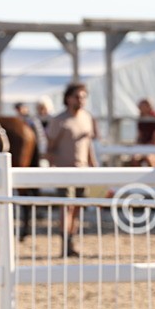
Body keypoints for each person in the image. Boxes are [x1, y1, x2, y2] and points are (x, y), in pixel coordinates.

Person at [46, 83, 98, 258]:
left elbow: (88, 145)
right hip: (64, 170)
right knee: (66, 207)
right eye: (77, 97)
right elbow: (50, 146)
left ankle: (71, 242)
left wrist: (94, 166)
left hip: (82, 170)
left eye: (83, 97)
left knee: (77, 207)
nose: (81, 100)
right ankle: (64, 243)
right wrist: (52, 167)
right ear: (68, 99)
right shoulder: (59, 120)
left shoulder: (87, 118)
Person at [132, 98, 155, 167]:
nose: (140, 109)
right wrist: (137, 146)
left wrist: (147, 147)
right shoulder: (141, 119)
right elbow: (140, 135)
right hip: (143, 146)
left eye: (143, 106)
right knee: (135, 158)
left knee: (150, 158)